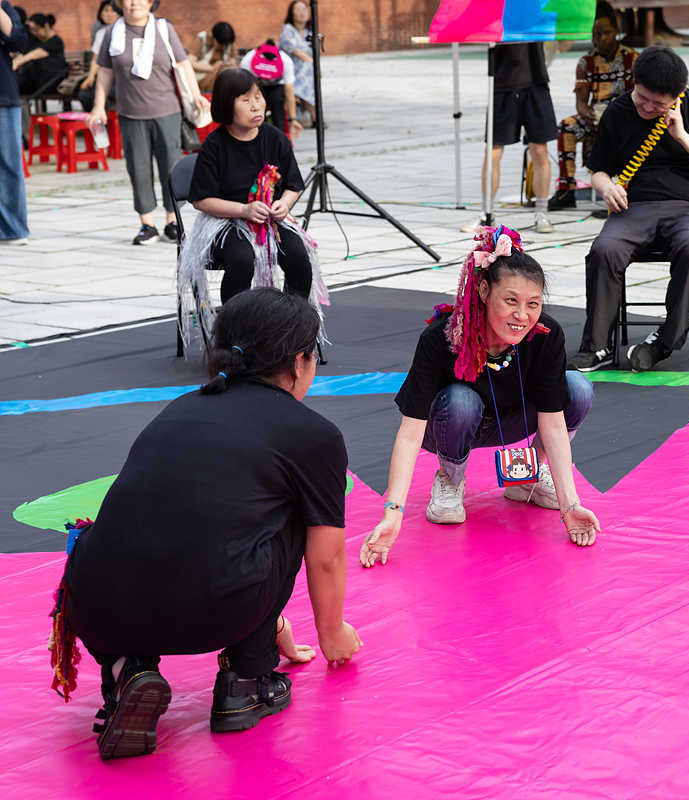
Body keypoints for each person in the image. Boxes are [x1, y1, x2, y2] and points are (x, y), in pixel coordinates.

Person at [53, 288, 361, 760]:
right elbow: (327, 557)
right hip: (215, 606)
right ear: (299, 361)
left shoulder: (179, 409)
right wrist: (332, 631)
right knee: (299, 516)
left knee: (112, 534)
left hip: (101, 603)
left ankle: (126, 671)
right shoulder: (313, 434)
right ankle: (246, 681)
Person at [362, 226, 600, 563]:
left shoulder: (545, 335)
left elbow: (554, 423)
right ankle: (450, 478)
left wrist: (570, 505)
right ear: (485, 291)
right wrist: (393, 512)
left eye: (533, 304)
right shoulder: (443, 337)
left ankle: (528, 480)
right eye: (511, 301)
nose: (522, 316)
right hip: (451, 424)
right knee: (461, 401)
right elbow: (410, 432)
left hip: (514, 421)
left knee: (577, 388)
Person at [568, 46, 689, 373]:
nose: (646, 107)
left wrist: (682, 135)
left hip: (688, 207)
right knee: (604, 249)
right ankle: (596, 345)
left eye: (657, 103)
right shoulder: (618, 112)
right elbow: (599, 169)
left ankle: (664, 342)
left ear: (678, 95)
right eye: (642, 97)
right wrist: (606, 187)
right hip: (636, 206)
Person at [180, 67, 323, 331]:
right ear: (226, 106)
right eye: (245, 100)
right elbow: (201, 200)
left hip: (270, 221)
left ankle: (293, 326)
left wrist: (285, 204)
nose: (256, 105)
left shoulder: (275, 138)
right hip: (225, 223)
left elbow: (293, 184)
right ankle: (236, 331)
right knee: (242, 258)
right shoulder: (215, 145)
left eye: (258, 97)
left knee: (297, 255)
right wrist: (243, 210)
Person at [88, 0, 209, 246]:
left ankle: (172, 220)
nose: (134, 4)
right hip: (130, 114)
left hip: (166, 111)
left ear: (151, 2)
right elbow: (105, 71)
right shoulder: (113, 32)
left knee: (171, 167)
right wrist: (99, 105)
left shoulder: (164, 28)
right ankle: (147, 224)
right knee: (138, 168)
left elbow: (183, 64)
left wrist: (196, 94)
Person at [547, 2, 637, 211]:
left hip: (625, 116)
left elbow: (638, 97)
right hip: (596, 117)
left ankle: (629, 187)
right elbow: (581, 101)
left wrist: (616, 114)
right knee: (567, 126)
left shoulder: (631, 59)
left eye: (605, 33)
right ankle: (566, 189)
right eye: (596, 34)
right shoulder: (585, 62)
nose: (601, 39)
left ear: (616, 31)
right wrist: (585, 112)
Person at [461, 43, 557, 235]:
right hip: (502, 83)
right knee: (493, 152)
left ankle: (541, 213)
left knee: (539, 150)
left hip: (535, 81)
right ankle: (486, 214)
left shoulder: (534, 12)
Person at [0, 0, 27, 244]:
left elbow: (20, 42)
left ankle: (13, 229)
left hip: (3, 97)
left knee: (9, 164)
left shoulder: (6, 9)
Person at [239, 39, 303, 139]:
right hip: (258, 86)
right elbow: (289, 92)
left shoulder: (249, 58)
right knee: (266, 111)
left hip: (273, 87)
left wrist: (292, 119)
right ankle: (266, 136)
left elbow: (289, 93)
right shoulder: (284, 59)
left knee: (273, 106)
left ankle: (276, 137)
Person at [77, 1, 120, 111]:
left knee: (105, 94)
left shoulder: (124, 30)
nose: (109, 14)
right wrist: (90, 77)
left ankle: (108, 123)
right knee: (85, 94)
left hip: (121, 77)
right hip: (104, 76)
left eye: (113, 11)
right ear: (100, 13)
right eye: (106, 10)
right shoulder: (101, 33)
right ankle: (98, 124)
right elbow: (96, 59)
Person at [279, 1, 315, 126]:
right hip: (289, 68)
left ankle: (299, 98)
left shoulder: (310, 32)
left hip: (306, 70)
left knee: (309, 69)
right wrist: (314, 65)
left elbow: (315, 53)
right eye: (298, 9)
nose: (302, 13)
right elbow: (296, 52)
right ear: (291, 13)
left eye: (304, 9)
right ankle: (314, 114)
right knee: (309, 67)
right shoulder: (287, 29)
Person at [11, 12, 65, 95]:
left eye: (36, 29)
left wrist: (17, 63)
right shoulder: (35, 40)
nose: (34, 33)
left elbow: (35, 54)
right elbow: (23, 54)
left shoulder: (56, 42)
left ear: (46, 26)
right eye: (32, 30)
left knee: (10, 85)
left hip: (49, 82)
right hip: (33, 80)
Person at [189, 20, 237, 93]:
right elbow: (190, 62)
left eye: (226, 45)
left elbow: (233, 60)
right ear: (214, 38)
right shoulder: (202, 39)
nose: (224, 47)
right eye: (221, 44)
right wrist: (213, 68)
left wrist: (230, 64)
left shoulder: (227, 41)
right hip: (201, 80)